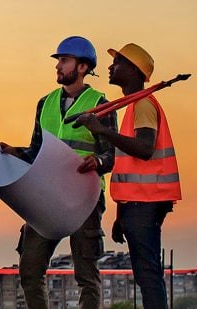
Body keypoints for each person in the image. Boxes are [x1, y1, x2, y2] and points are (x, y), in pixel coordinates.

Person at [77, 43, 182, 309]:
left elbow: (144, 149)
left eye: (118, 63)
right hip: (138, 204)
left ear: (134, 70)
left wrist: (102, 130)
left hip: (146, 202)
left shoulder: (144, 104)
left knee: (148, 273)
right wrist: (122, 214)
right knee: (146, 271)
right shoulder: (135, 105)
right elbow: (130, 168)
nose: (111, 67)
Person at [17, 36, 116, 309]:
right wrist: (14, 152)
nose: (58, 66)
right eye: (58, 60)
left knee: (86, 274)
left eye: (64, 60)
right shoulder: (45, 103)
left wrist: (98, 161)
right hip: (46, 196)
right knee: (30, 268)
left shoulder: (101, 104)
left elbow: (112, 154)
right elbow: (36, 150)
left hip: (85, 198)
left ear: (82, 67)